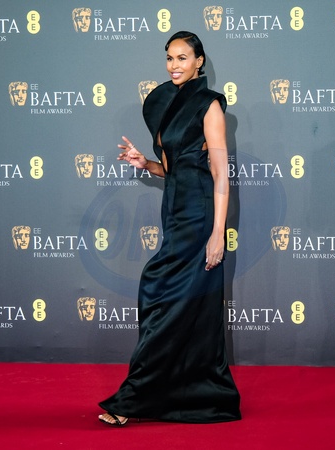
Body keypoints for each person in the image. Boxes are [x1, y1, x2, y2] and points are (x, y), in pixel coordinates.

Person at [98, 30, 241, 426]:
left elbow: (220, 174)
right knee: (174, 305)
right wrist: (144, 163)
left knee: (165, 301)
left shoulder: (209, 105)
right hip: (174, 213)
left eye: (182, 58)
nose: (174, 65)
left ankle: (131, 399)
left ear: (199, 62)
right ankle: (185, 391)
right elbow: (171, 168)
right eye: (169, 58)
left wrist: (217, 233)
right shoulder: (163, 103)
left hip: (199, 216)